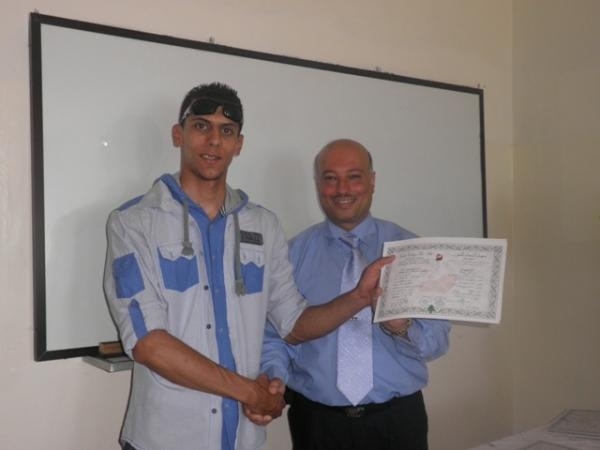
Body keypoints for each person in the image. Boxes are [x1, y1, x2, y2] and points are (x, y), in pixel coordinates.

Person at [103, 84, 393, 450]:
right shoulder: (134, 223)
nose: (214, 141)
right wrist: (250, 393)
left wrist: (358, 298)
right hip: (166, 439)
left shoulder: (263, 225)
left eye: (226, 131)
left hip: (243, 438)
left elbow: (293, 323)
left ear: (239, 144)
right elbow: (148, 345)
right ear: (179, 135)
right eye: (201, 126)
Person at [258, 139, 451, 450]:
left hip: (398, 421)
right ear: (318, 184)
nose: (342, 189)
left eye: (354, 176)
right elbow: (274, 337)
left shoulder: (413, 252)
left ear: (372, 181)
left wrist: (401, 327)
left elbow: (437, 342)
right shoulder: (291, 256)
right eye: (330, 178)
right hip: (317, 424)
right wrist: (273, 379)